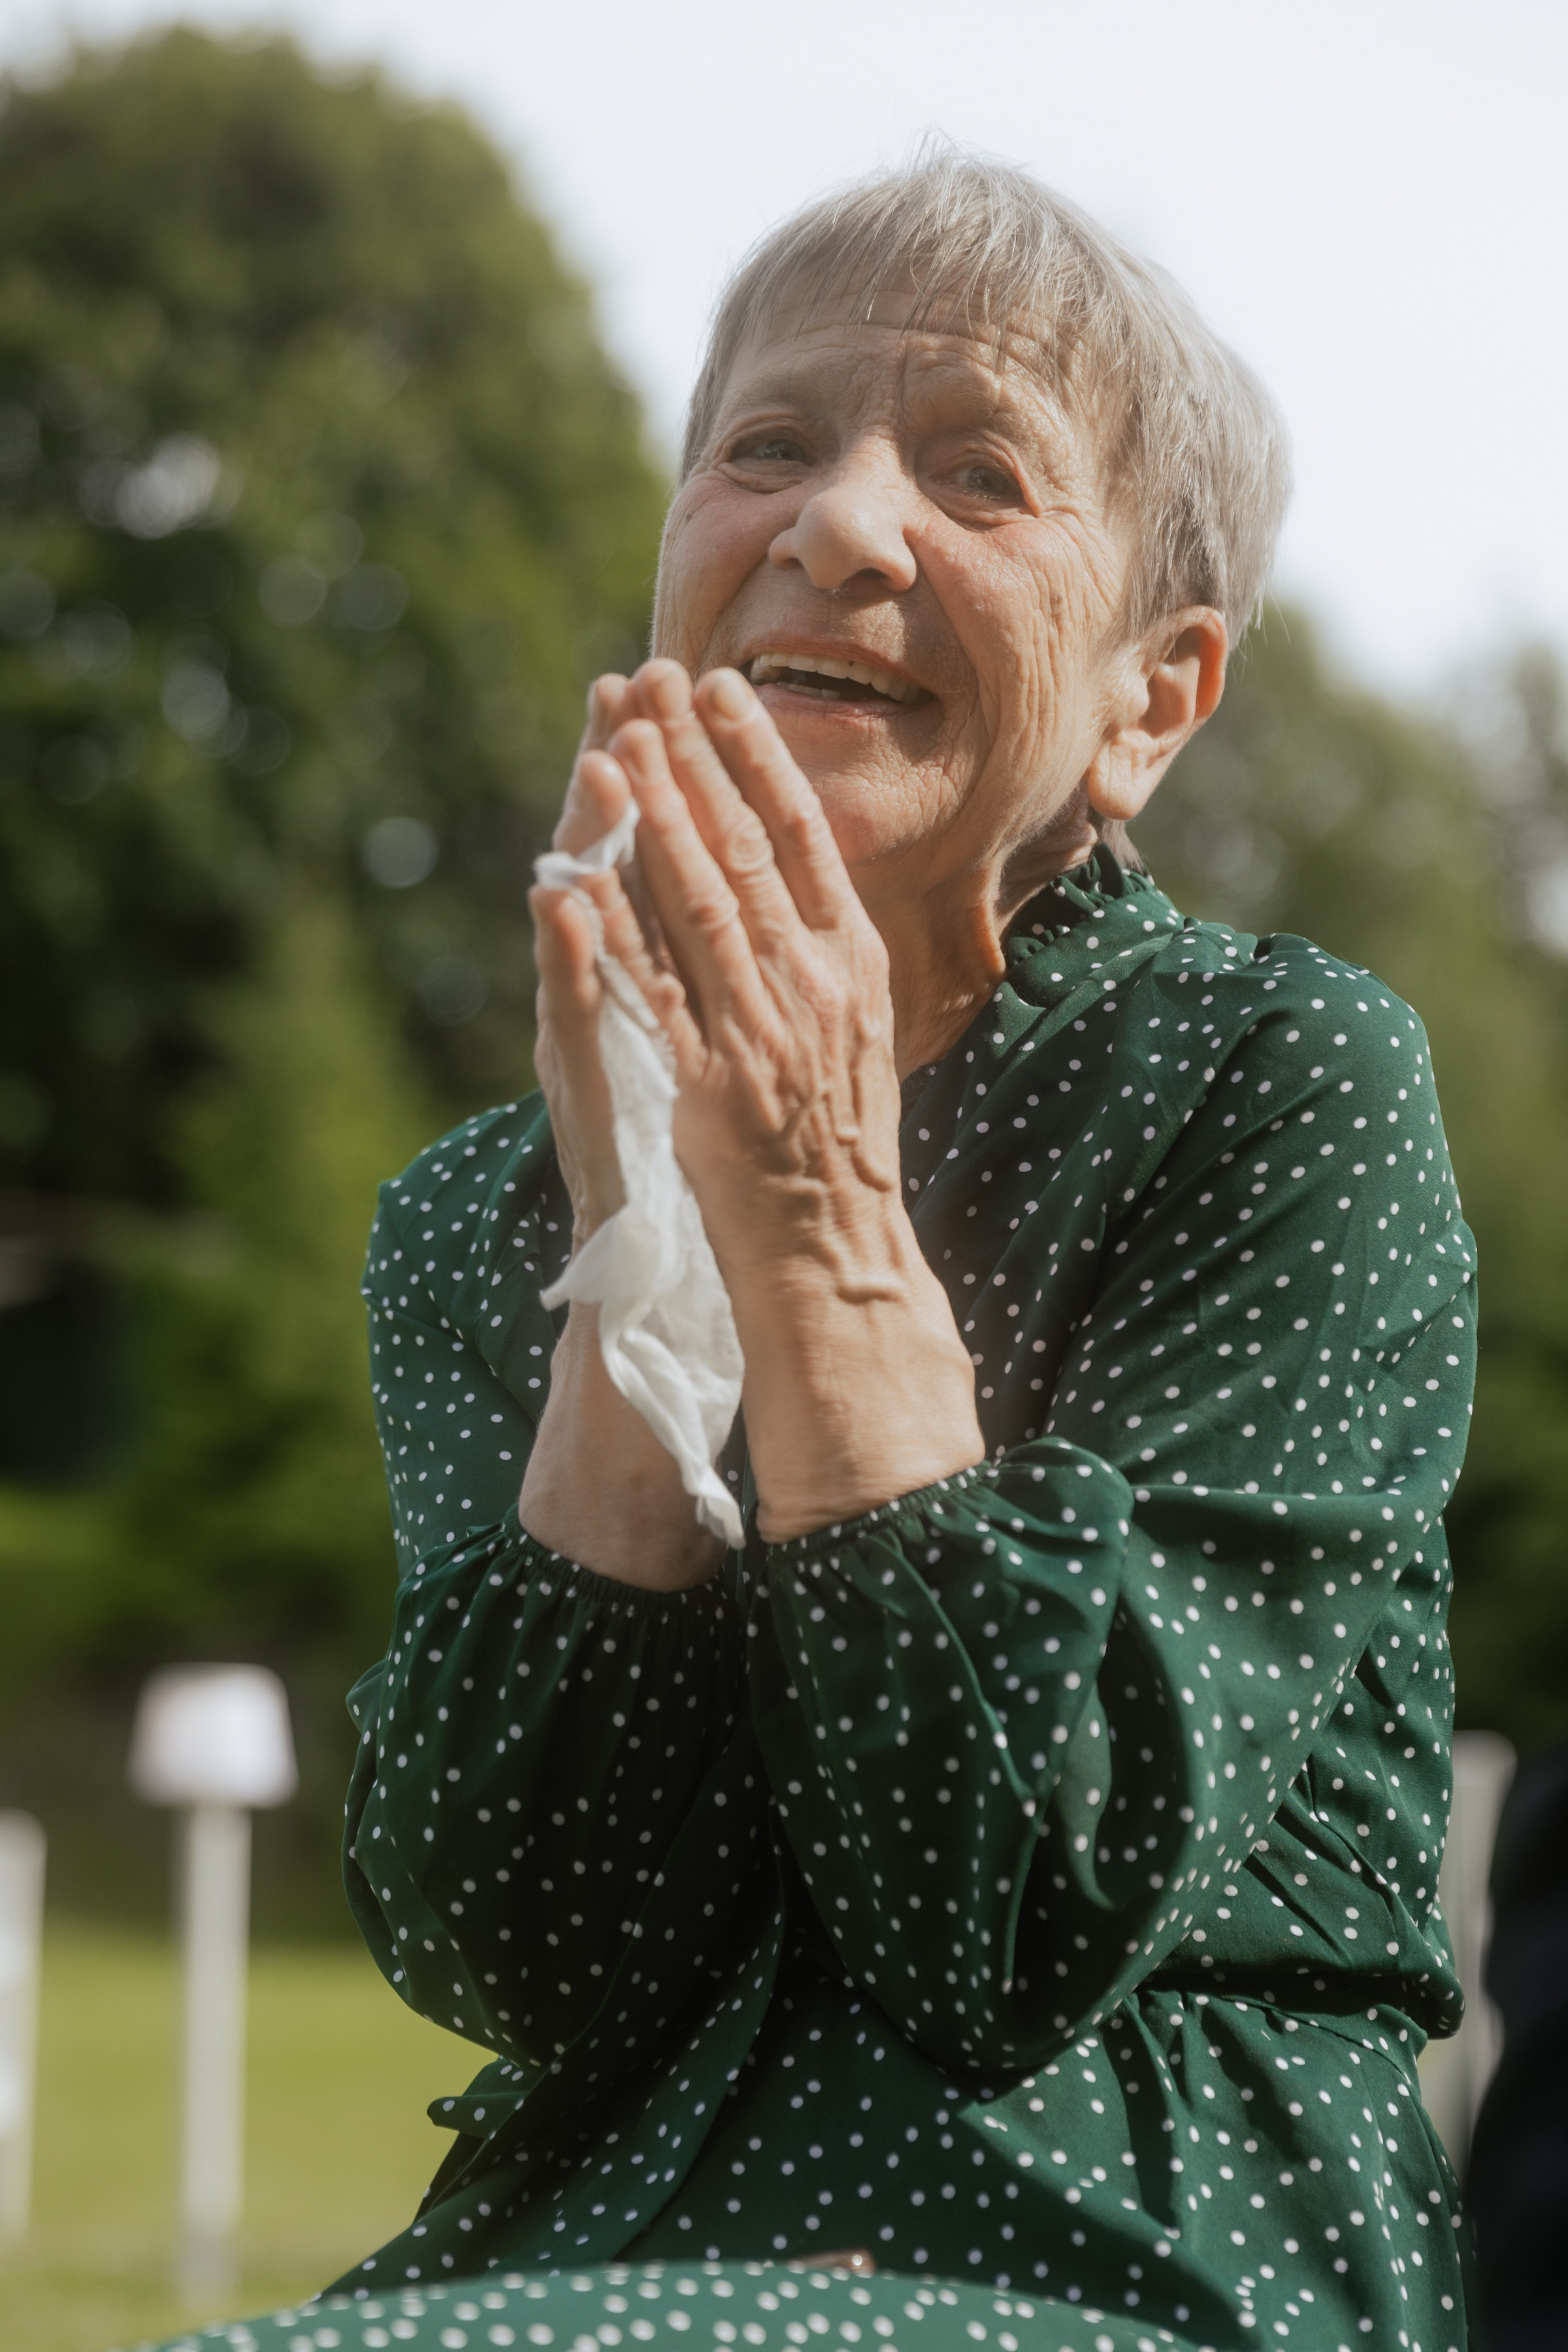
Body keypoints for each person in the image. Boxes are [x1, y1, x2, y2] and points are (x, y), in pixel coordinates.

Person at [145, 151, 1478, 2352]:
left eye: (981, 475)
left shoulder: (1273, 1079)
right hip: (584, 2250)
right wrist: (643, 1263)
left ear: (1152, 701)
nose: (840, 524)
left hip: (1119, 2254)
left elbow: (1008, 1912)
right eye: (765, 446)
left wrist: (815, 1217)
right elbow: (519, 1948)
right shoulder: (476, 1213)